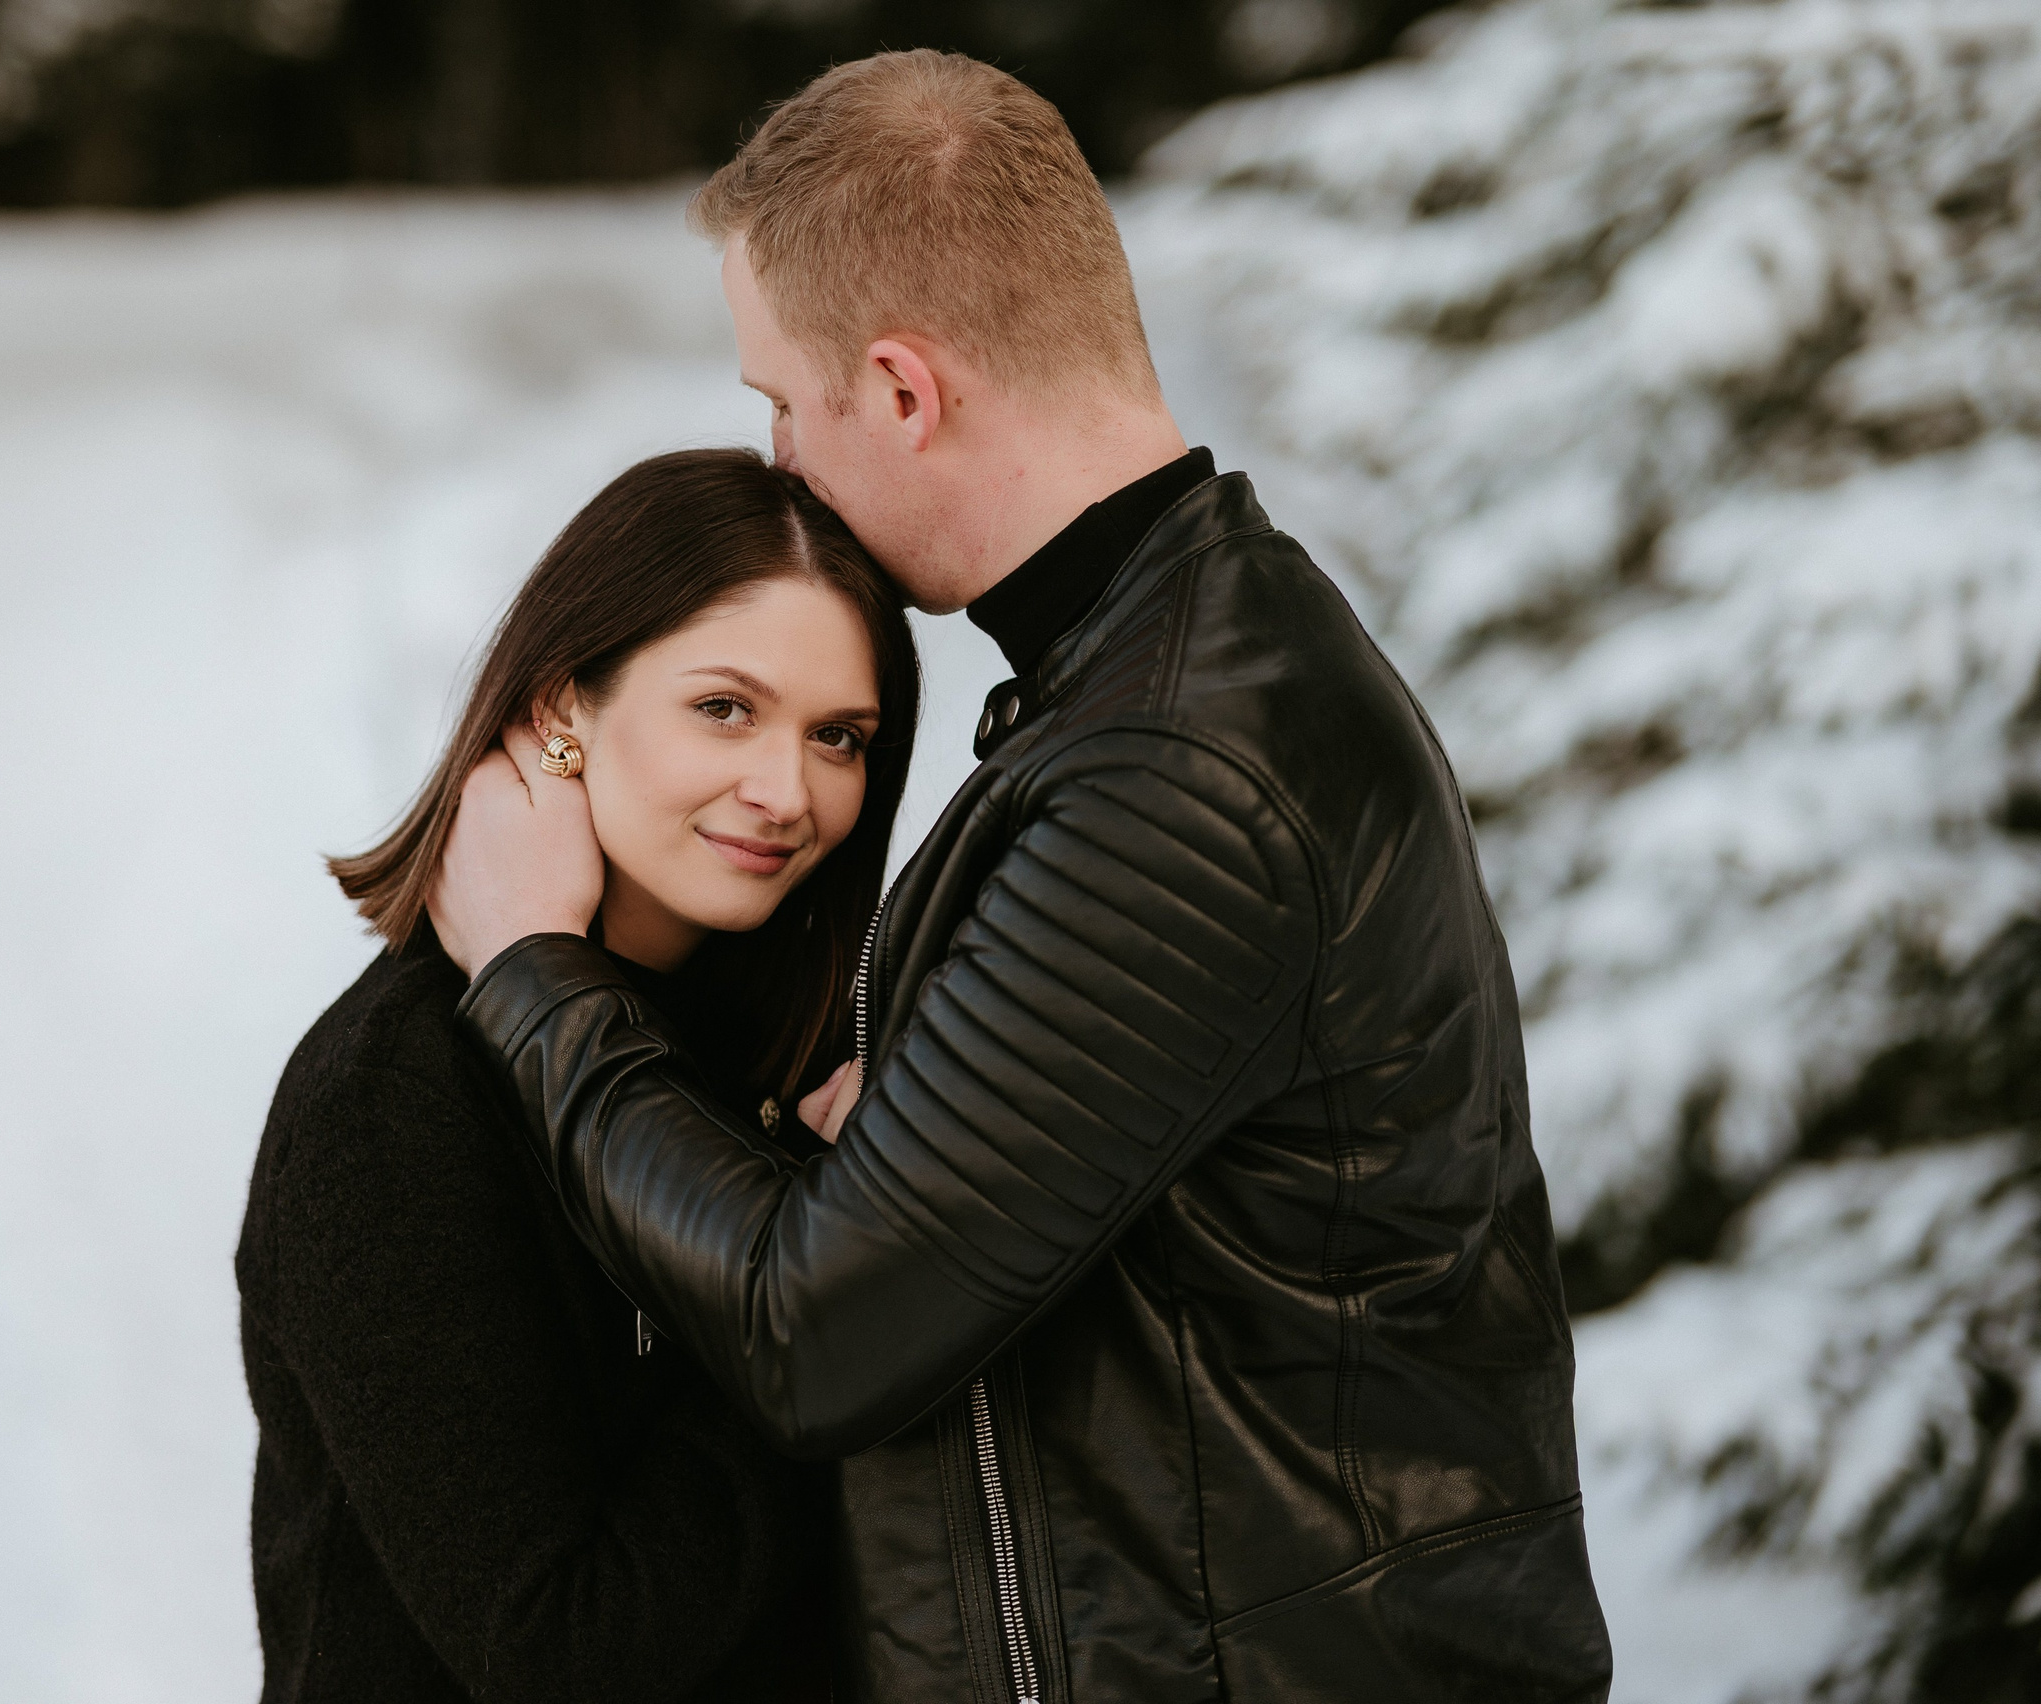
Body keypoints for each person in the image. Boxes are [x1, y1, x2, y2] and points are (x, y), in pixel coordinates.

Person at [430, 50, 1616, 1704]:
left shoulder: (1177, 772)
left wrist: (534, 972)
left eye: (785, 400)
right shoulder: (1161, 675)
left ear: (906, 392)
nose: (777, 462)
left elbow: (815, 1330)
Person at [236, 447, 921, 1704]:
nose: (785, 791)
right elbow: (559, 1646)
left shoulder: (785, 1048)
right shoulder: (391, 1103)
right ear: (562, 707)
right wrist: (837, 1289)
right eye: (725, 707)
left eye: (839, 736)